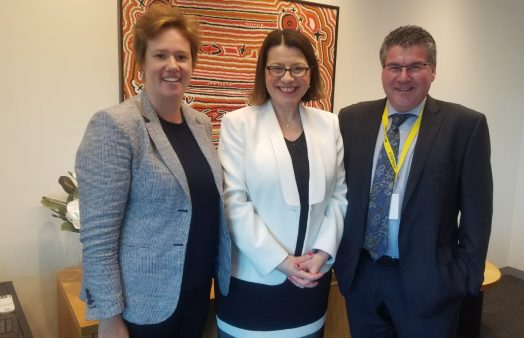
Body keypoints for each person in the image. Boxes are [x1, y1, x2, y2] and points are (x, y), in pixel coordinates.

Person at [75, 4, 231, 338]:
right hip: (143, 306)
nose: (172, 66)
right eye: (160, 55)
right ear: (141, 62)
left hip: (197, 293)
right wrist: (109, 317)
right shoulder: (116, 125)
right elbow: (98, 238)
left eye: (182, 56)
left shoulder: (200, 124)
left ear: (193, 64)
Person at [334, 25, 493, 337]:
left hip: (430, 284)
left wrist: (464, 278)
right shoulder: (351, 119)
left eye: (415, 66)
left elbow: (478, 212)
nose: (403, 77)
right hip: (362, 277)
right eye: (394, 66)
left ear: (432, 70)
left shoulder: (465, 126)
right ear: (383, 70)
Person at [216, 29, 347, 338]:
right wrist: (282, 262)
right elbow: (234, 202)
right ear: (264, 72)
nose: (287, 77)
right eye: (277, 67)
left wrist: (322, 254)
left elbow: (340, 197)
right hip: (252, 283)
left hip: (311, 281)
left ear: (310, 73)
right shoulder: (238, 125)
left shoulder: (329, 124)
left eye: (297, 67)